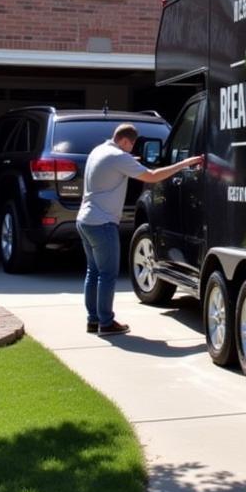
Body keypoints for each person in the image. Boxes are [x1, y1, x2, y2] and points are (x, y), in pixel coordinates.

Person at [77, 122, 203, 335]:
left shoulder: (99, 151)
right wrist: (185, 164)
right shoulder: (119, 157)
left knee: (94, 272)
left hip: (85, 220)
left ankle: (93, 320)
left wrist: (129, 161)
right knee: (107, 275)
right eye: (132, 145)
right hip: (102, 224)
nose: (132, 149)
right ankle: (106, 323)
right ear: (126, 141)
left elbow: (115, 166)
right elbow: (152, 176)